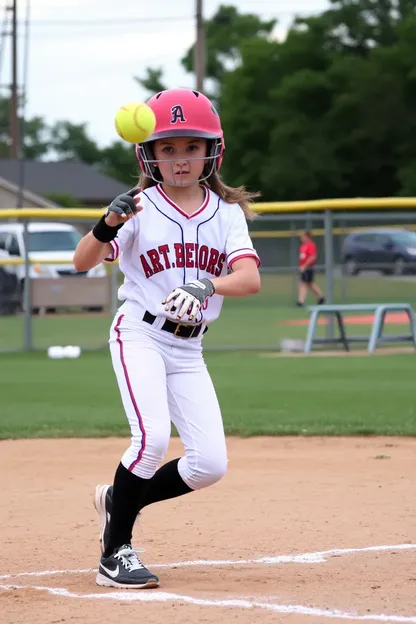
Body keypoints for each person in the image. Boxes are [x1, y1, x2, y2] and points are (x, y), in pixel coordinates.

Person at [73, 88, 261, 589]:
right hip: (140, 334)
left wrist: (208, 282)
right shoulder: (137, 207)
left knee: (209, 465)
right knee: (152, 438)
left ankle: (118, 497)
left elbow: (248, 279)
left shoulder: (226, 214)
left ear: (212, 152)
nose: (180, 159)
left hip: (189, 347)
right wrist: (107, 224)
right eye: (168, 148)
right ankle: (116, 552)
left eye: (191, 147)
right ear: (149, 154)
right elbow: (82, 261)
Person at [296, 230, 325, 307]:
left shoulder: (311, 245)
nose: (301, 238)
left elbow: (312, 257)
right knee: (310, 284)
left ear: (307, 237)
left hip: (308, 268)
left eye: (303, 236)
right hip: (304, 267)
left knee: (304, 284)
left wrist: (304, 266)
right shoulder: (303, 246)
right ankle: (321, 297)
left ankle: (300, 301)